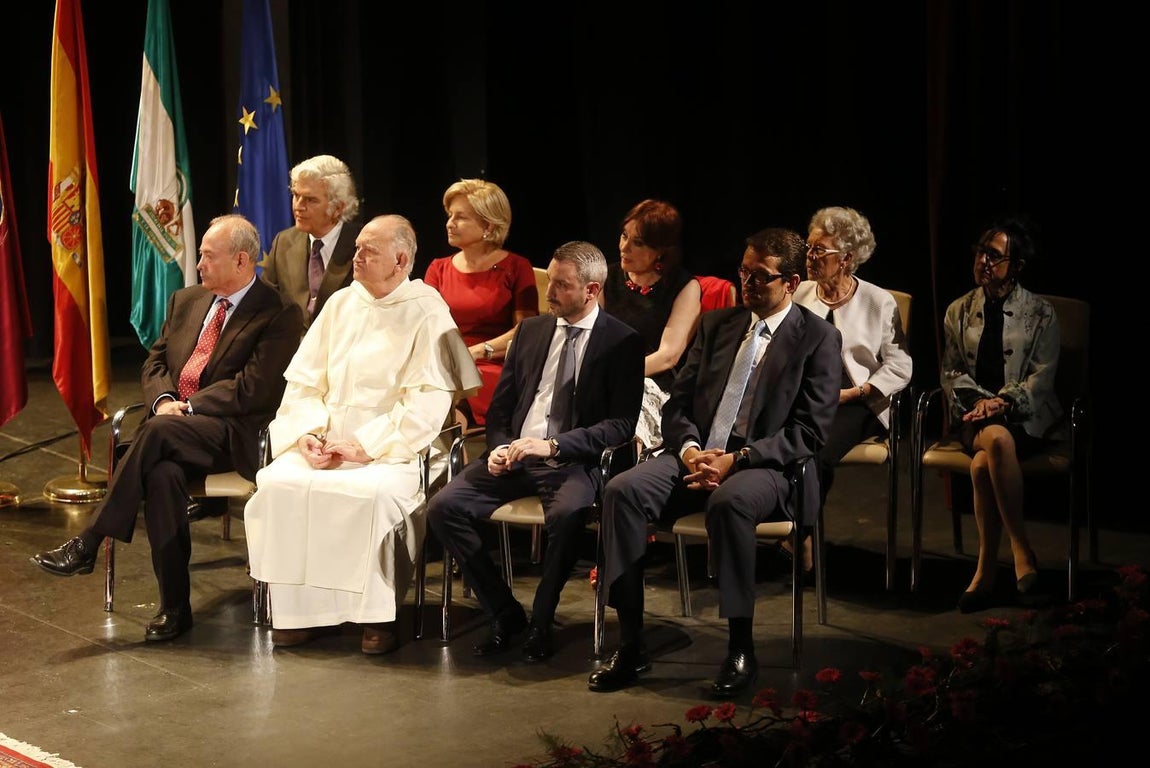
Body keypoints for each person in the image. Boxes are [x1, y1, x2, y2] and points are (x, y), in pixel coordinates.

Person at [589, 227, 841, 697]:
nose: (747, 283)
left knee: (729, 503)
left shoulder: (817, 337)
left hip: (767, 466)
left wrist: (738, 458)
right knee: (621, 491)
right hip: (695, 454)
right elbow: (677, 404)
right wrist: (688, 451)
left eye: (760, 276)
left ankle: (740, 648)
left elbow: (810, 432)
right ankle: (632, 643)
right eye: (743, 272)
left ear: (789, 281)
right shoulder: (717, 326)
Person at [31, 214, 304, 642]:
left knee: (156, 433)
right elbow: (154, 362)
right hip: (173, 429)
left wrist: (187, 407)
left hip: (231, 434)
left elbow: (254, 389)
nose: (198, 264)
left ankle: (90, 539)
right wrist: (162, 402)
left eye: (208, 257)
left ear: (241, 260)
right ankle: (174, 607)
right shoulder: (186, 300)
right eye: (200, 256)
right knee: (162, 476)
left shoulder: (278, 312)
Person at [243, 215, 481, 653]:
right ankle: (298, 613)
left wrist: (365, 446)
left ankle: (377, 618)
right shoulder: (341, 305)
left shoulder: (427, 310)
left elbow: (427, 406)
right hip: (327, 439)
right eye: (357, 248)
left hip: (399, 447)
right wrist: (307, 434)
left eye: (368, 250)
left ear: (401, 259)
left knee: (376, 496)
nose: (356, 257)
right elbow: (304, 383)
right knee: (280, 484)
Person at [427, 241, 644, 663]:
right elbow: (502, 408)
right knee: (444, 507)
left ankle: (541, 620)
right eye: (552, 281)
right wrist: (499, 447)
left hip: (572, 462)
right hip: (516, 457)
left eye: (562, 286)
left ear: (592, 290)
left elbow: (620, 425)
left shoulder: (622, 342)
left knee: (566, 516)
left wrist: (554, 445)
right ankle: (505, 613)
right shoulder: (531, 332)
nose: (551, 293)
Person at [941, 216, 1060, 613]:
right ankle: (1022, 550)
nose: (983, 261)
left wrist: (1005, 402)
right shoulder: (958, 310)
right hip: (976, 419)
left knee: (980, 468)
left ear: (1017, 266)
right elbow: (951, 371)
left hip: (1025, 418)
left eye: (994, 255)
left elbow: (1042, 378)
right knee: (994, 437)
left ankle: (986, 569)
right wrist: (980, 404)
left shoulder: (1041, 313)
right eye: (980, 252)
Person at [789, 206, 913, 574]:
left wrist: (858, 393)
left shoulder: (878, 300)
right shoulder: (801, 295)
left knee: (814, 451)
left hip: (858, 403)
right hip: (808, 399)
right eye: (808, 248)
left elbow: (901, 364)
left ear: (846, 259)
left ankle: (803, 533)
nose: (809, 257)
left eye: (819, 251)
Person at [424, 178, 538, 429]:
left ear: (487, 225)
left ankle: (456, 458)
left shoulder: (516, 267)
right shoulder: (438, 268)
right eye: (450, 215)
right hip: (444, 361)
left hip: (492, 363)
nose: (449, 224)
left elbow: (527, 330)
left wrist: (479, 351)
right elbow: (425, 325)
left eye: (460, 217)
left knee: (455, 390)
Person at [599, 199, 701, 448]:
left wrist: (618, 376)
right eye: (624, 236)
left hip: (653, 380)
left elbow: (668, 356)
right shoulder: (607, 277)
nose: (624, 247)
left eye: (638, 243)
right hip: (605, 374)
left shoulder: (684, 286)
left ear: (661, 251)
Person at [261, 154, 362, 327]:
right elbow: (265, 303)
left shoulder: (362, 245)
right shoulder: (284, 241)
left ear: (338, 207)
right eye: (295, 195)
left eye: (310, 200)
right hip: (292, 350)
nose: (298, 206)